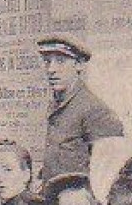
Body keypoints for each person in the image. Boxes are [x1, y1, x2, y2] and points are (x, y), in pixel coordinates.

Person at [35, 33, 125, 181]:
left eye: (60, 61)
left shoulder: (95, 111)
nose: (51, 69)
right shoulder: (58, 105)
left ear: (79, 65)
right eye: (47, 61)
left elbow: (109, 178)